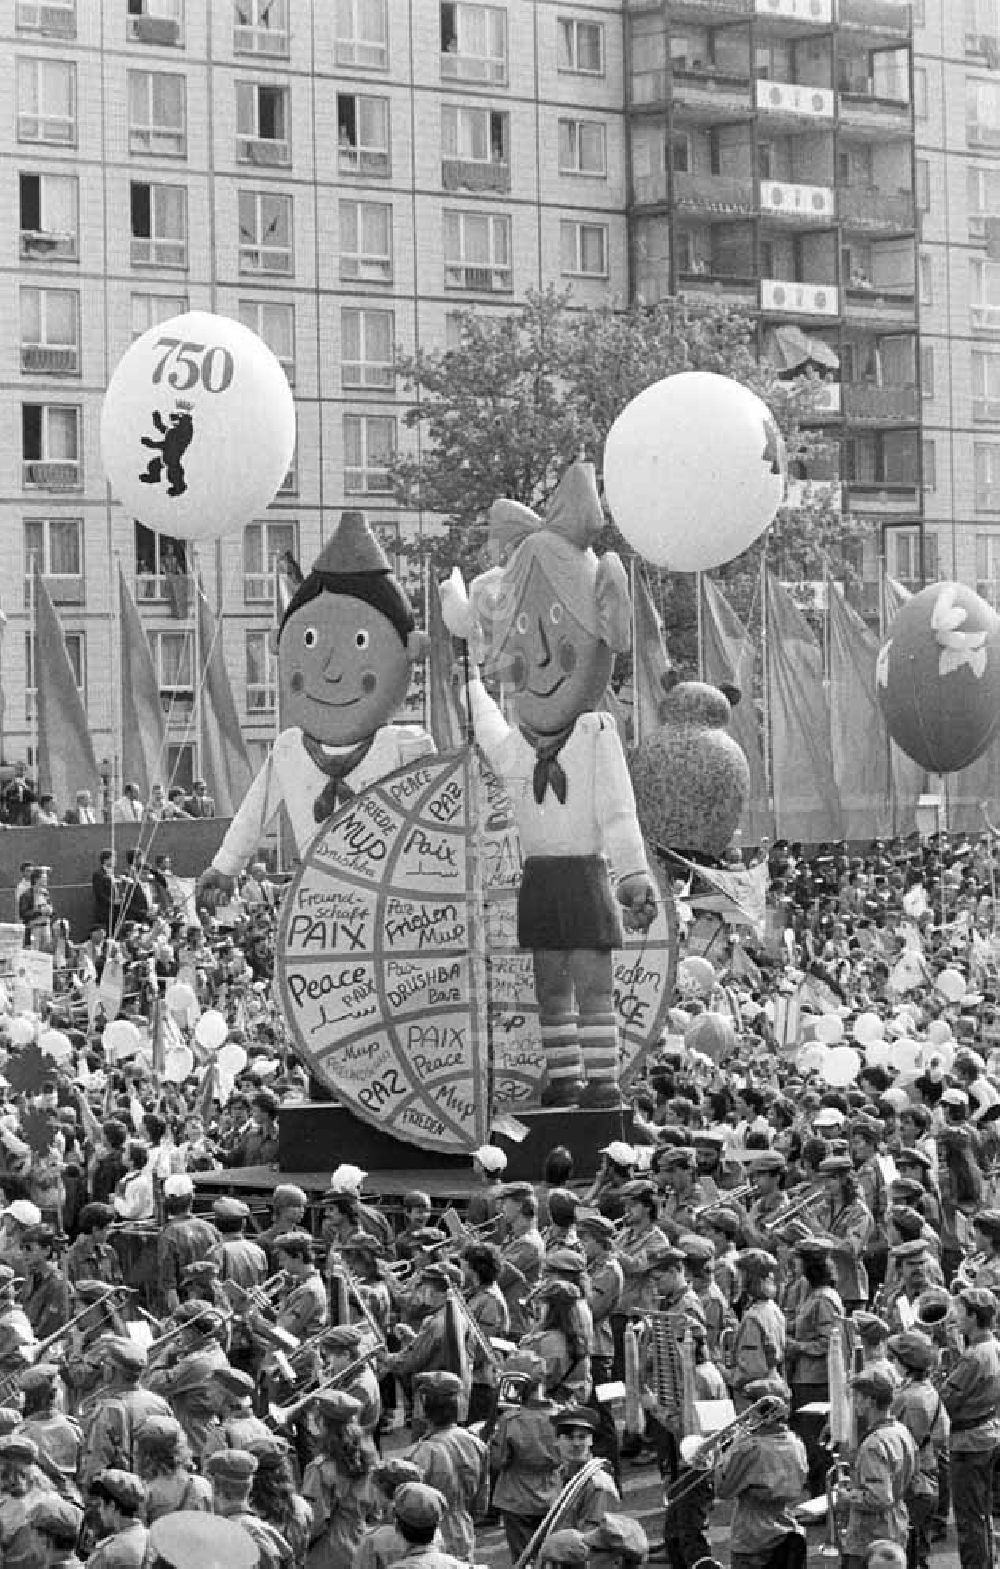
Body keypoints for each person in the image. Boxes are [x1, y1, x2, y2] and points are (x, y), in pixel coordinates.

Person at [712, 1381, 807, 1569]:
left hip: (752, 1537)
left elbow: (723, 1490)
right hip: (787, 1530)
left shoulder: (750, 1449)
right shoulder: (795, 1442)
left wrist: (722, 1455)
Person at [940, 1287, 1000, 1569]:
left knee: (968, 1518)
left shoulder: (974, 1356)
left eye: (961, 1312)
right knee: (982, 1513)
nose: (956, 1317)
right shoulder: (993, 1346)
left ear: (973, 1317)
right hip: (986, 1434)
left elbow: (947, 1399)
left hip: (967, 1441)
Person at [840, 1368, 916, 1569]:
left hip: (871, 1535)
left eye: (858, 1397)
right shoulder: (901, 1431)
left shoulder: (874, 1443)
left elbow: (879, 1497)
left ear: (870, 1401)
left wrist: (848, 1496)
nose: (855, 1403)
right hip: (897, 1524)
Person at [491, 1349, 561, 1562]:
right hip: (553, 1494)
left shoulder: (511, 1420)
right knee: (551, 1556)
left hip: (516, 1498)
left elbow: (498, 1461)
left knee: (523, 1559)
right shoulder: (562, 1414)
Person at [888, 1331, 948, 1569]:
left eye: (894, 1359)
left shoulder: (910, 1399)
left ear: (905, 1364)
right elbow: (942, 1435)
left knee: (907, 1552)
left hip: (913, 1484)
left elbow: (901, 1443)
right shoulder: (927, 1391)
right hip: (926, 1478)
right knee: (917, 1548)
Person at [301, 1390, 379, 1569]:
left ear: (323, 1423)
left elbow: (316, 1520)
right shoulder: (368, 1460)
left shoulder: (319, 1469)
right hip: (362, 1544)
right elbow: (376, 1510)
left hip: (329, 1552)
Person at [86, 1469, 148, 1569]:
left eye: (100, 1504)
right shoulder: (153, 1541)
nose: (99, 1510)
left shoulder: (109, 1554)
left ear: (112, 1506)